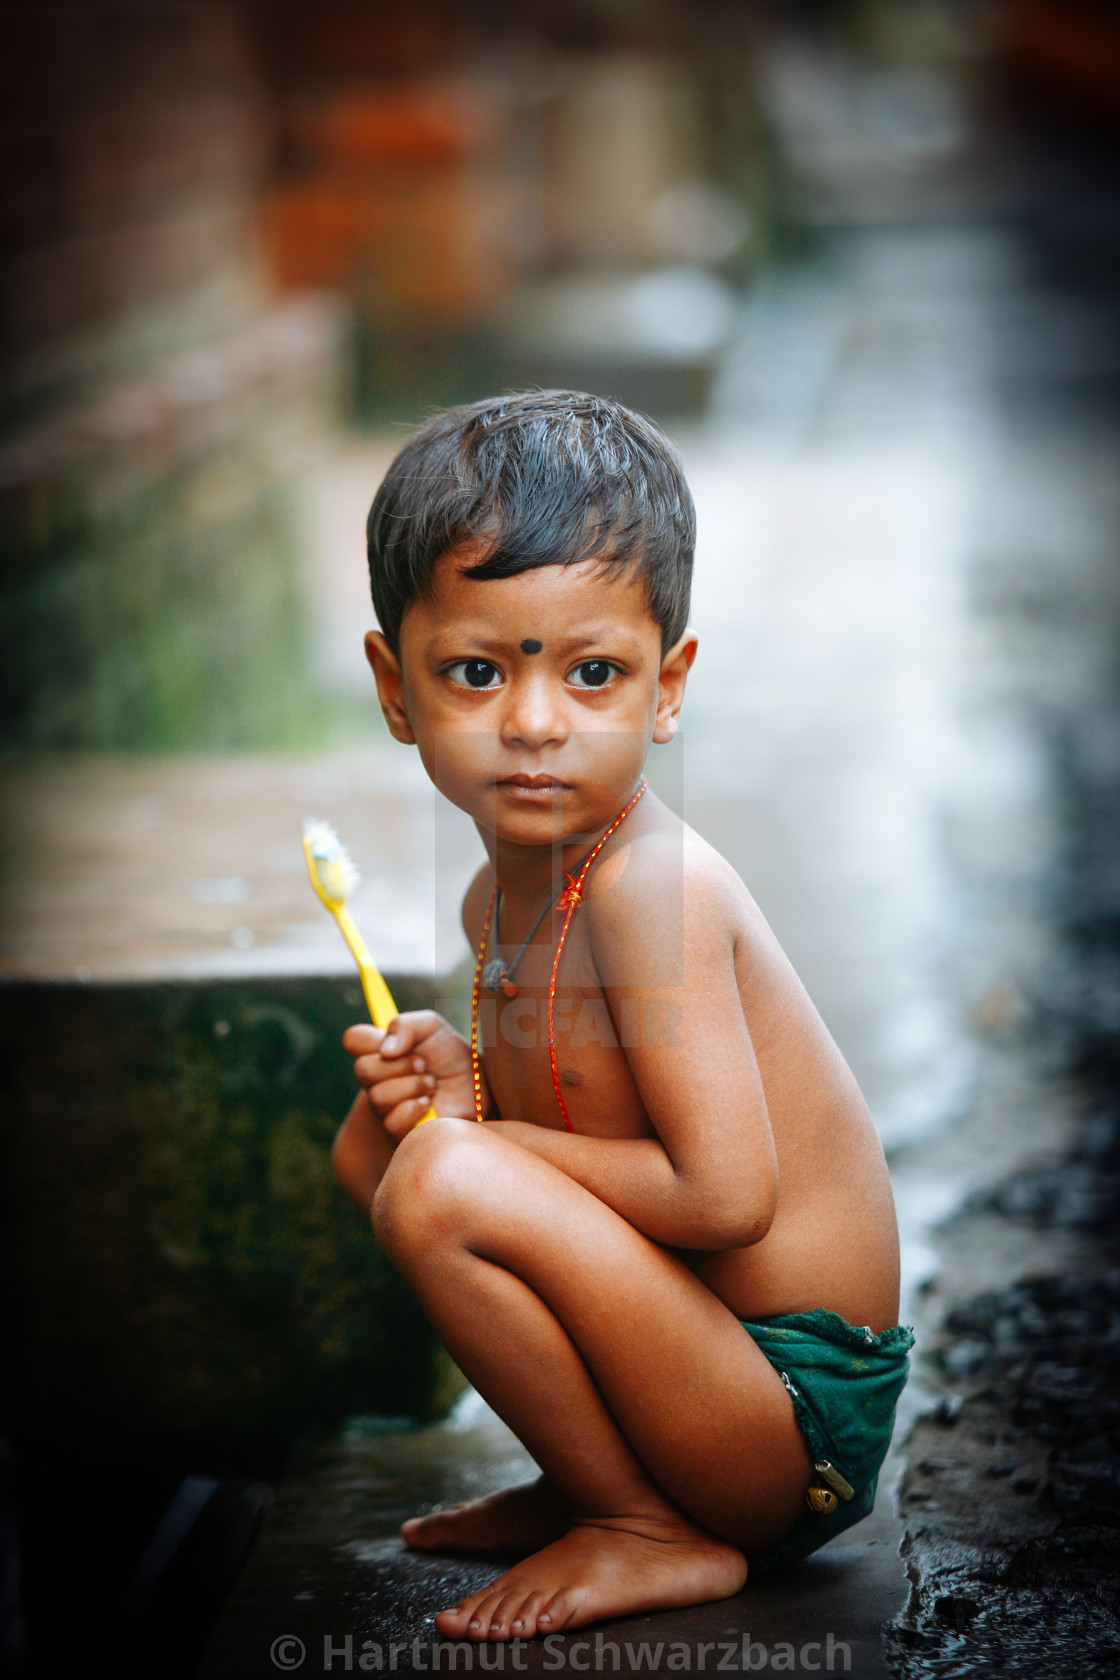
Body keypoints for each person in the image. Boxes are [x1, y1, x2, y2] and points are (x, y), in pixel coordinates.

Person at [330, 390, 912, 1644]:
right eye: (477, 672)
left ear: (668, 685)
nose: (536, 724)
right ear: (394, 686)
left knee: (435, 1178)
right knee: (377, 1151)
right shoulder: (502, 894)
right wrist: (459, 1092)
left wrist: (475, 1142)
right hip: (690, 1376)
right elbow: (570, 1121)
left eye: (593, 673)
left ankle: (648, 1528)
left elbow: (719, 1202)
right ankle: (599, 1481)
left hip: (784, 1416)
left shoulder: (652, 887)